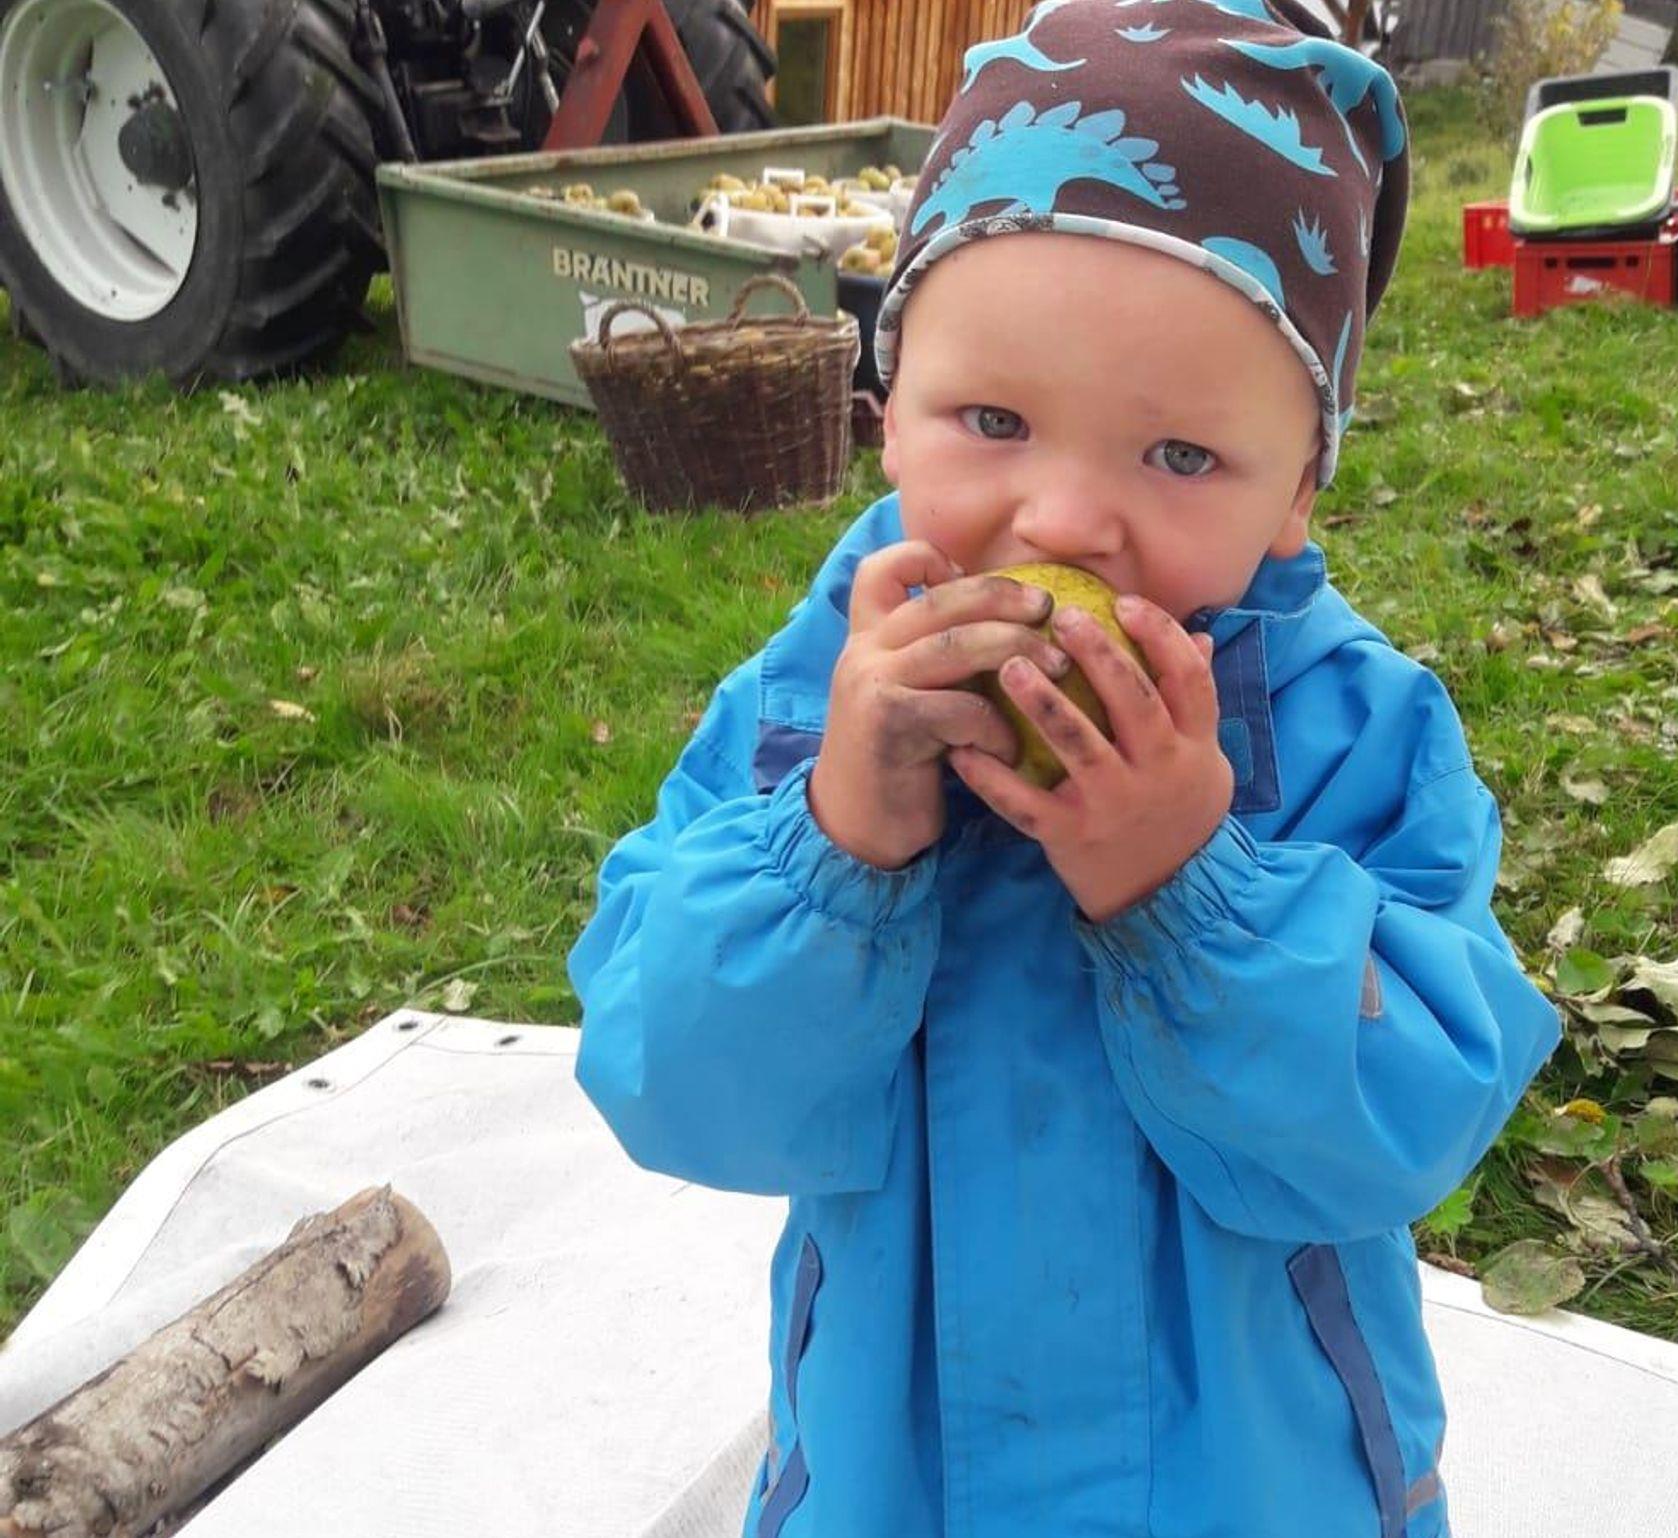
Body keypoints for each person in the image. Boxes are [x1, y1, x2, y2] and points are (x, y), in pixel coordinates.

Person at [569, 2, 1561, 1533]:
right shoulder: (810, 705)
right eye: (995, 420)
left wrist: (1190, 885)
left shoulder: (1355, 729)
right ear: (885, 415)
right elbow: (670, 1084)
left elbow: (1412, 1120)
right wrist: (838, 844)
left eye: (1180, 456)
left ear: (1298, 488)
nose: (1065, 522)